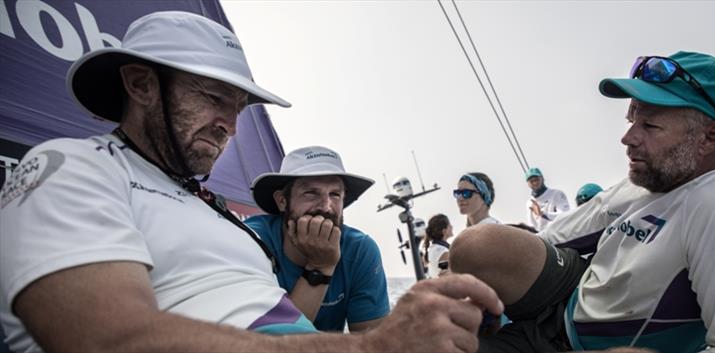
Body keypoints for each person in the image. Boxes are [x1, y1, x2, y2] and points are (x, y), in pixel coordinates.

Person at [0, 11, 503, 353]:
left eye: (238, 107)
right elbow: (104, 338)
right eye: (213, 96)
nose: (230, 125)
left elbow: (280, 318)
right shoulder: (74, 166)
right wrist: (370, 346)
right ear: (140, 84)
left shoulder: (211, 209)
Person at [449, 52, 715, 352]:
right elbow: (552, 238)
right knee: (476, 245)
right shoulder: (646, 179)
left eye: (649, 125)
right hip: (569, 296)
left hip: (591, 344)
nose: (628, 138)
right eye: (631, 120)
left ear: (711, 137)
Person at [245, 146, 389, 332]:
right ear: (282, 201)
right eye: (311, 193)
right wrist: (320, 266)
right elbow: (266, 344)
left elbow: (371, 342)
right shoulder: (251, 240)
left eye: (335, 195)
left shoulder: (360, 250)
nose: (326, 207)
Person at [524, 167, 570, 231]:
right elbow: (531, 225)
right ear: (528, 184)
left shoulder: (557, 194)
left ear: (542, 179)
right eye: (531, 181)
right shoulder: (529, 203)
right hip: (541, 238)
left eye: (537, 179)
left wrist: (542, 214)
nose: (535, 183)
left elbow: (565, 215)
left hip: (559, 233)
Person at [423, 214, 454, 279]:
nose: (452, 226)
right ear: (444, 231)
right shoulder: (443, 252)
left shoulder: (433, 248)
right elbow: (444, 276)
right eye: (449, 225)